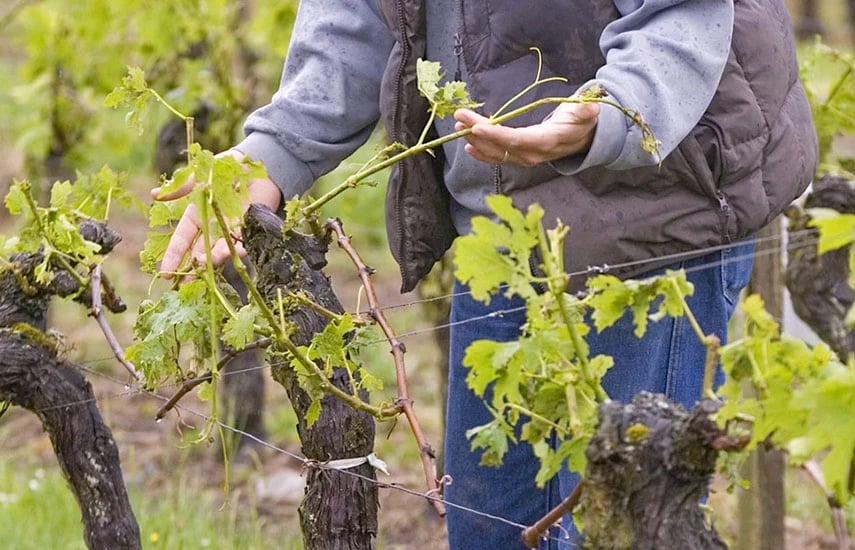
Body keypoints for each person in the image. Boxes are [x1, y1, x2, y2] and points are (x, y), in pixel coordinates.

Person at [154, 0, 817, 548]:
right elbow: (355, 17)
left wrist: (611, 112)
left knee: (627, 522)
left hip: (653, 205)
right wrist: (274, 151)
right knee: (492, 531)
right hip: (497, 219)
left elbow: (682, 14)